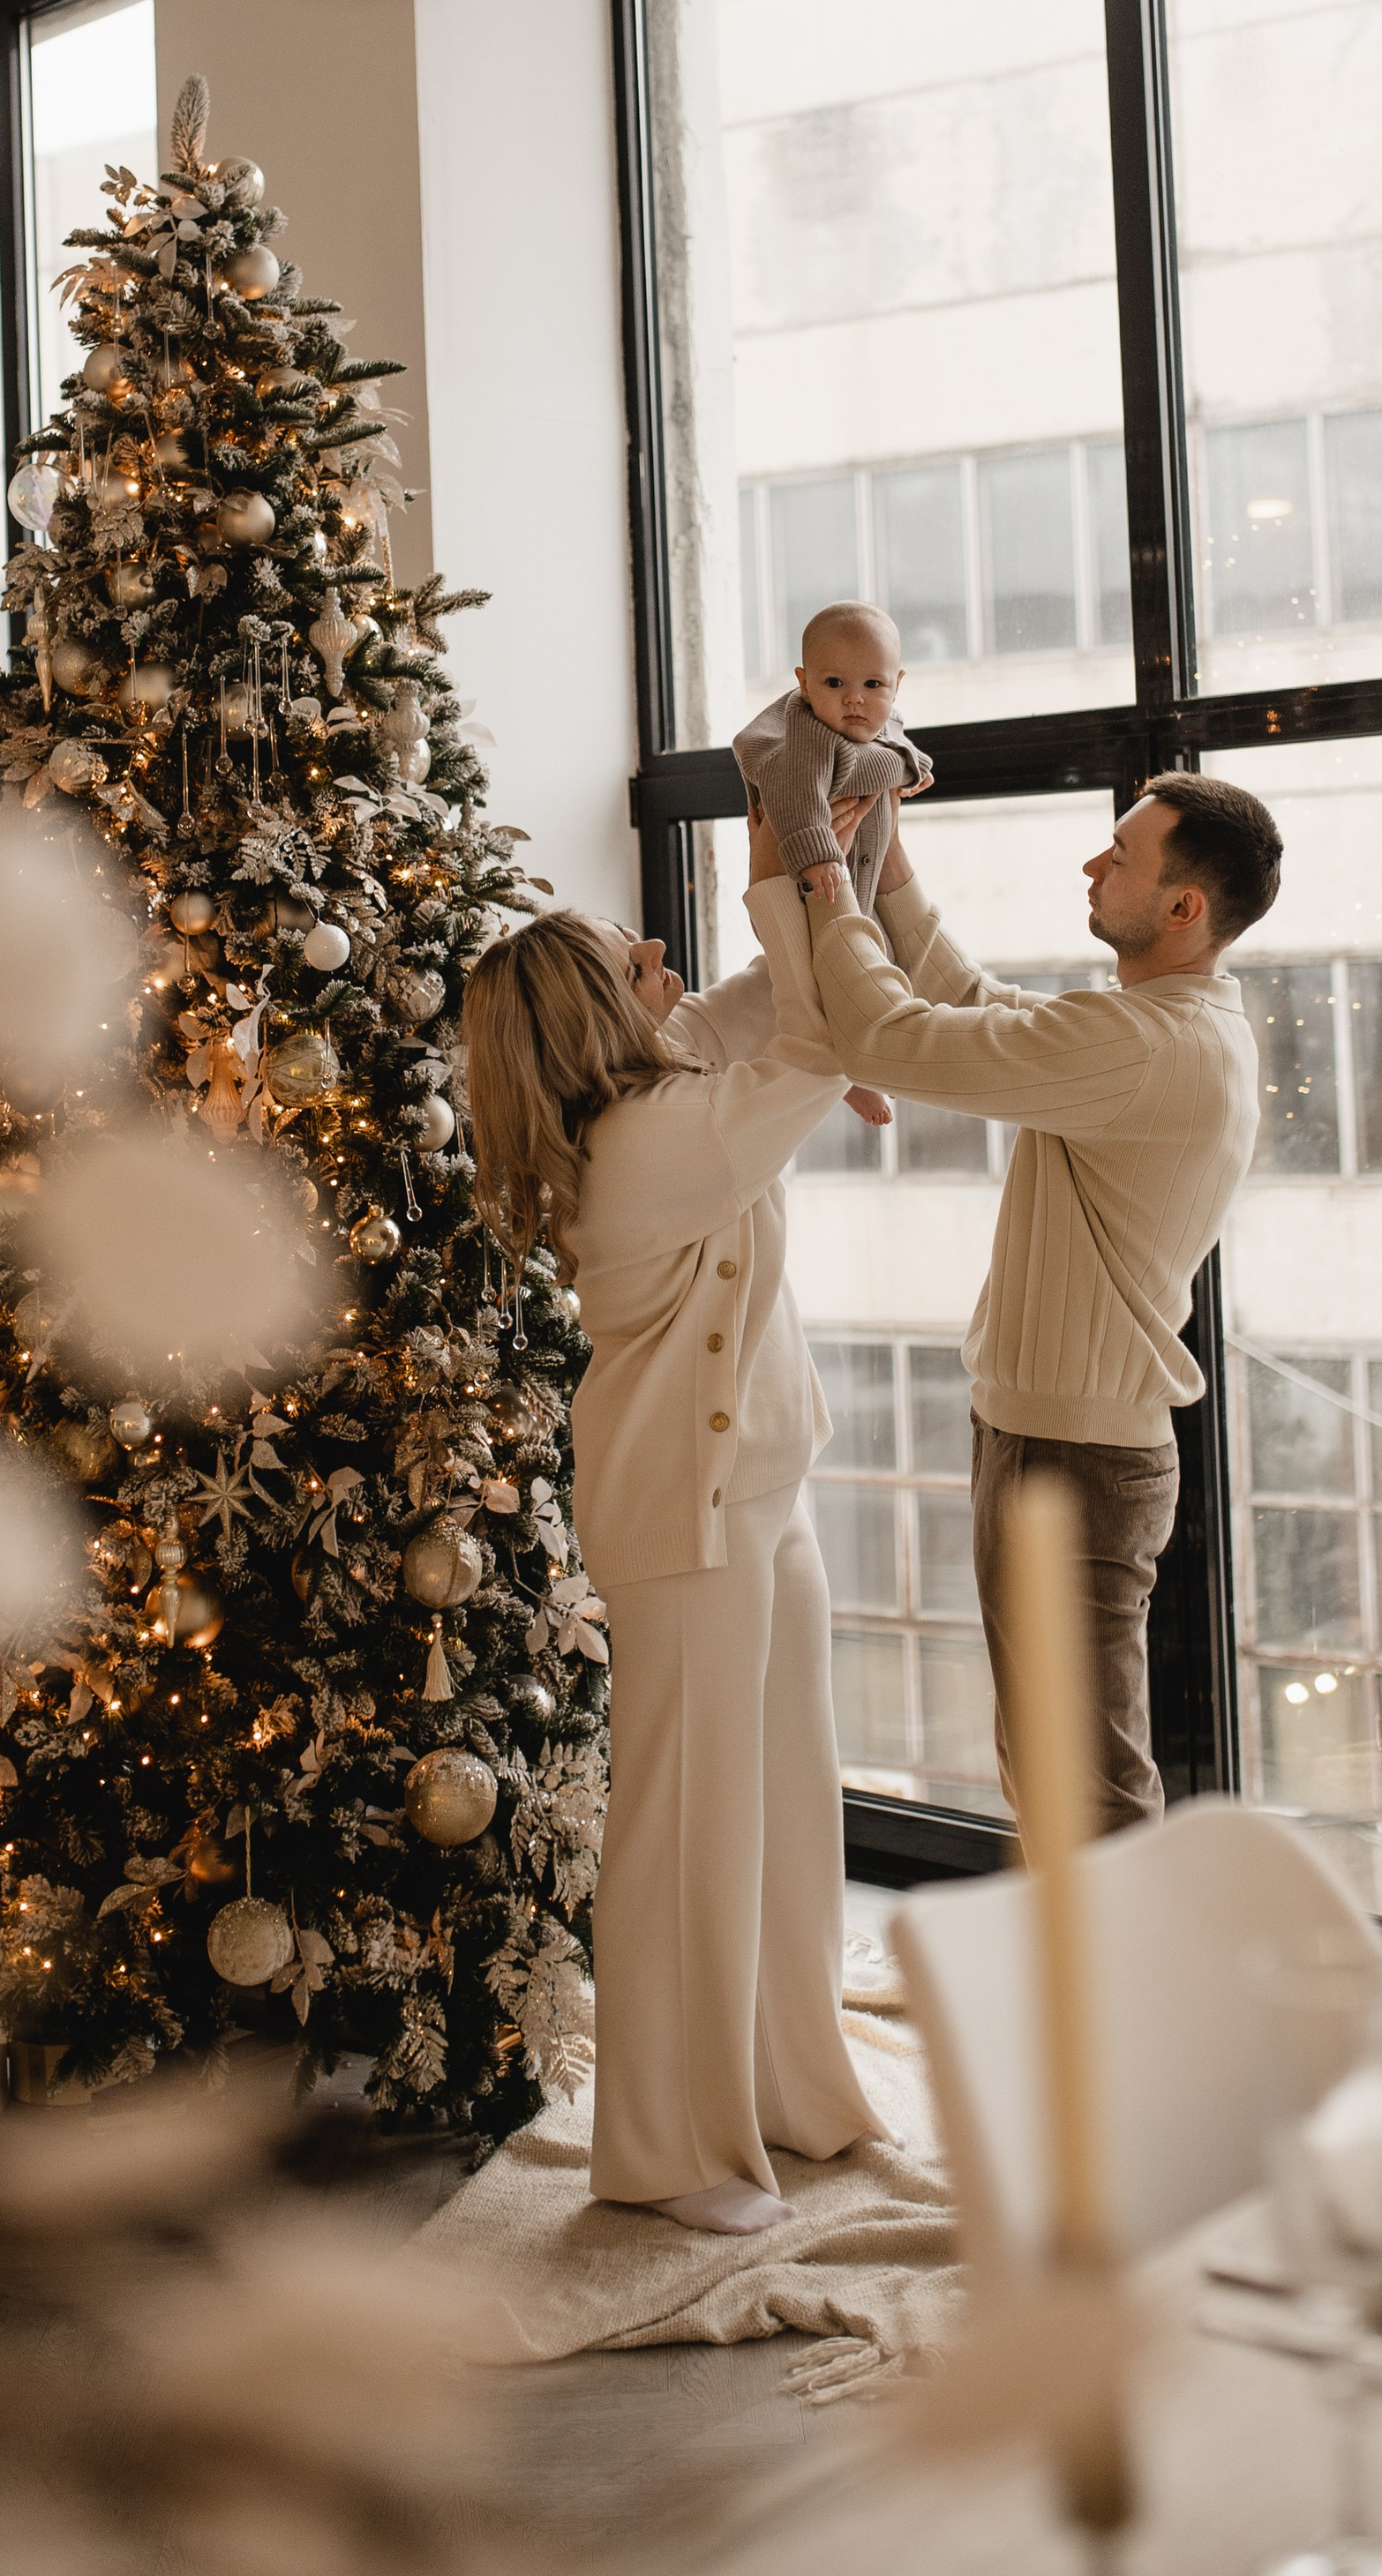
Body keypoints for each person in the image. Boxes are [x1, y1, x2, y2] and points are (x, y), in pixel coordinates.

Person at [462, 798, 887, 2235]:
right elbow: (822, 1043)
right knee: (687, 1829)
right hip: (683, 1521)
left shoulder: (676, 1076)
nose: (661, 954)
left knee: (783, 1806)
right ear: (594, 1017)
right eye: (628, 954)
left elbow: (779, 991)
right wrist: (799, 879)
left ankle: (787, 2084)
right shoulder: (650, 1140)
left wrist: (830, 840)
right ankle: (663, 2145)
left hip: (762, 1488)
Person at [798, 774, 1282, 1839]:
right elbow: (974, 1006)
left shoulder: (1148, 1046)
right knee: (1054, 1772)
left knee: (1085, 1792)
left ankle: (1124, 2008)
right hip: (1049, 1441)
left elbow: (892, 1040)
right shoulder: (1158, 1025)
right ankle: (1083, 2001)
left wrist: (827, 881)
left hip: (1073, 1458)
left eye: (1121, 853)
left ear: (1184, 906)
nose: (1093, 865)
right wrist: (887, 853)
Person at [733, 602, 932, 1134]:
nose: (854, 699)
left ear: (897, 683)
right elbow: (796, 794)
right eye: (834, 682)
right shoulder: (805, 738)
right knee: (825, 980)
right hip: (800, 888)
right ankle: (851, 1075)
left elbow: (896, 741)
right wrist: (819, 854)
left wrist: (913, 762)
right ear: (803, 683)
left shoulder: (879, 722)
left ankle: (863, 1061)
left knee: (876, 964)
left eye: (873, 684)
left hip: (853, 885)